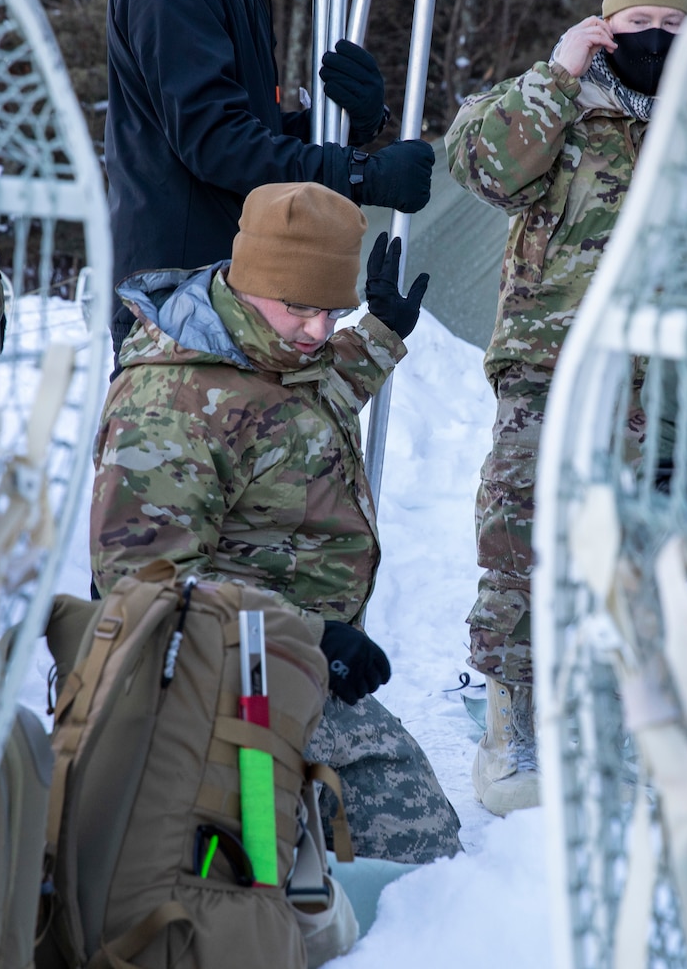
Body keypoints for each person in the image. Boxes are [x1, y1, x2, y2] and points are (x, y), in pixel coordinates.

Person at [90, 181, 461, 864]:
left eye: (333, 311)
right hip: (218, 677)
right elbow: (140, 593)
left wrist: (378, 334)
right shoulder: (169, 407)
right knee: (416, 847)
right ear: (251, 278)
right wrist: (316, 637)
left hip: (286, 658)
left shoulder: (267, 349)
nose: (321, 331)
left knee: (389, 853)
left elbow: (291, 415)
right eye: (301, 308)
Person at [445, 0, 687, 815]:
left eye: (673, 16)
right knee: (519, 545)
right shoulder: (557, 103)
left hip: (652, 382)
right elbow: (480, 163)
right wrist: (556, 75)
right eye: (637, 15)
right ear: (603, 23)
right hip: (546, 367)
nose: (655, 33)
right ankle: (510, 732)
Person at [100, 0, 435, 366]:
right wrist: (362, 175)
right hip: (185, 300)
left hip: (241, 285)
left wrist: (349, 127)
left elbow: (246, 129)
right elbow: (216, 142)